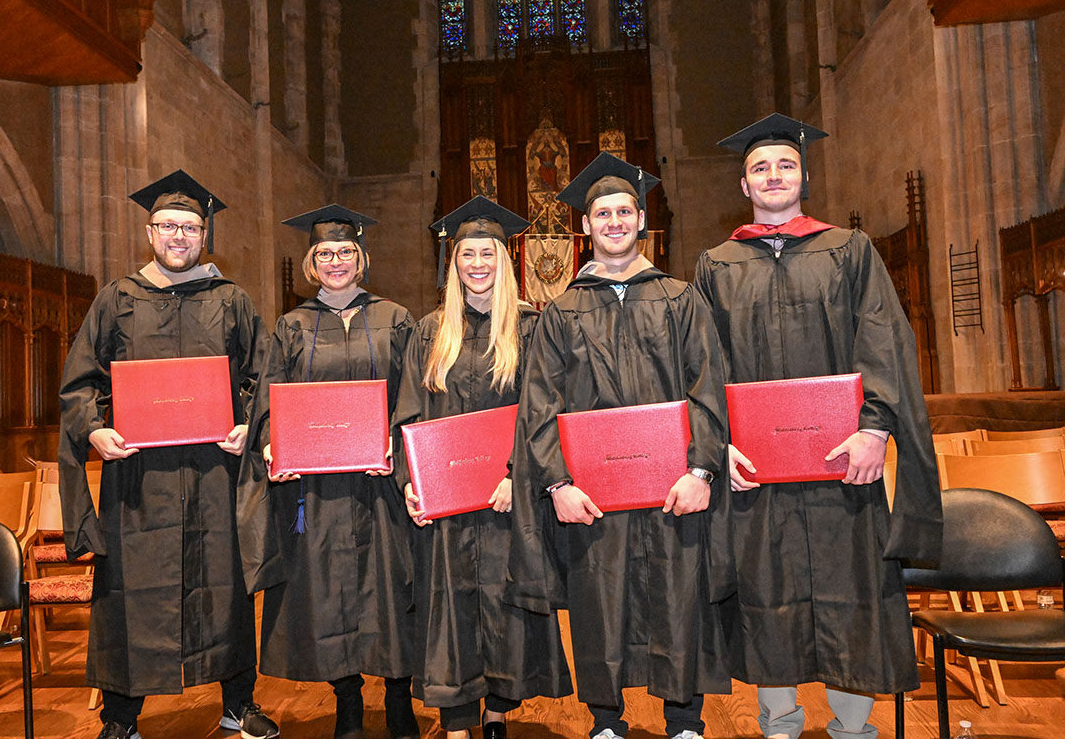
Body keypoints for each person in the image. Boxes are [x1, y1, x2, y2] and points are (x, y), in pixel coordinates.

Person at [694, 113, 943, 739]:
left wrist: (876, 428)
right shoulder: (717, 265)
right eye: (759, 168)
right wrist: (718, 444)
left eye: (784, 165)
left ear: (804, 175)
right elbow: (700, 365)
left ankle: (852, 728)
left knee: (852, 586)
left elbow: (882, 340)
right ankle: (779, 722)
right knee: (765, 589)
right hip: (757, 470)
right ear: (744, 185)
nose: (772, 176)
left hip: (844, 463)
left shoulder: (850, 251)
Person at [508, 153, 734, 739]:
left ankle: (685, 721)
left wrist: (702, 471)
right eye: (601, 213)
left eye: (624, 212)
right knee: (599, 603)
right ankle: (606, 721)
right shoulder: (561, 312)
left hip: (673, 488)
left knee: (678, 597)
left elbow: (708, 388)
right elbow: (540, 405)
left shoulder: (681, 299)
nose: (613, 222)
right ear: (586, 226)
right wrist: (558, 483)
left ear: (641, 220)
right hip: (593, 495)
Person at [58, 170, 278, 739]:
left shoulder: (231, 301)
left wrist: (245, 425)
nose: (179, 236)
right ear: (149, 231)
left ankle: (238, 704)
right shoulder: (117, 299)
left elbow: (263, 379)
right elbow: (79, 383)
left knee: (225, 588)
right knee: (128, 593)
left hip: (213, 474)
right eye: (168, 226)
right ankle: (121, 718)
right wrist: (95, 431)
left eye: (190, 227)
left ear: (205, 235)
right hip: (139, 478)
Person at [392, 197, 573, 739]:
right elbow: (407, 412)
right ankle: (455, 724)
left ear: (503, 259)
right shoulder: (429, 332)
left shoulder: (531, 327)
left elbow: (545, 410)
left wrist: (517, 475)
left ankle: (495, 717)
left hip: (505, 500)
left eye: (486, 253)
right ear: (454, 263)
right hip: (446, 506)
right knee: (449, 612)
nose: (476, 263)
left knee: (500, 606)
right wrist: (410, 483)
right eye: (466, 254)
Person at [236, 205, 419, 739]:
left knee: (390, 585)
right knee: (329, 589)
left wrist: (396, 440)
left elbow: (414, 395)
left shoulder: (396, 318)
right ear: (312, 262)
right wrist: (271, 445)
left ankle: (399, 697)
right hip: (315, 489)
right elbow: (269, 399)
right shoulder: (291, 325)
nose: (335, 261)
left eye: (344, 252)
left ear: (361, 257)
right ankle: (347, 700)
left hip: (381, 479)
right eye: (324, 254)